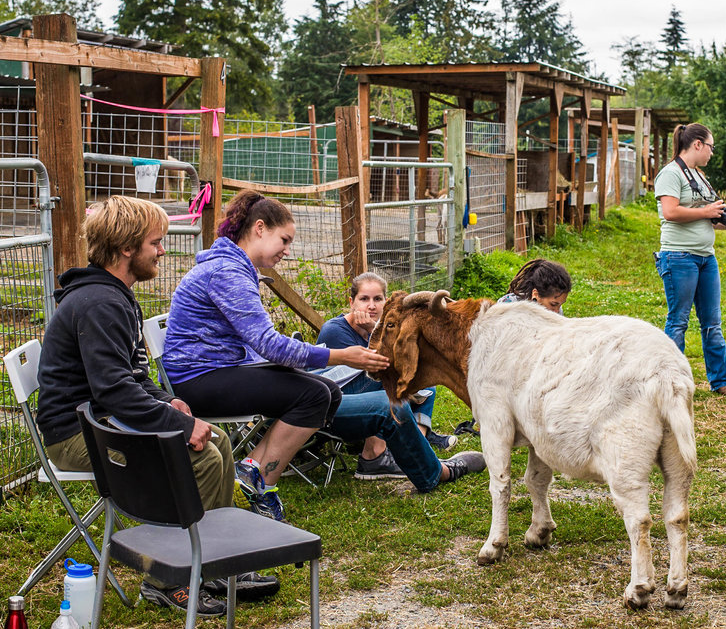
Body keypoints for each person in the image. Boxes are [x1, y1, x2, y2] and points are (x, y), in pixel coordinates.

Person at [36, 196, 277, 616]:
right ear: (127, 248)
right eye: (156, 242)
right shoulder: (100, 303)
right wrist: (178, 427)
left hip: (102, 419)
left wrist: (169, 402)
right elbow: (113, 391)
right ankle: (168, 582)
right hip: (77, 434)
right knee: (195, 456)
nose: (163, 250)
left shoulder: (116, 295)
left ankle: (212, 563)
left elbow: (132, 376)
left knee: (216, 440)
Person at [162, 190, 389, 523]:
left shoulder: (236, 268)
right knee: (313, 394)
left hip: (218, 369)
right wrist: (340, 356)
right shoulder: (228, 273)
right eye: (284, 239)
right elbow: (269, 344)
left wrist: (298, 365)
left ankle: (252, 471)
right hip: (196, 380)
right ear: (259, 228)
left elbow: (262, 346)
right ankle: (261, 483)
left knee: (328, 392)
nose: (287, 249)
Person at [313, 272, 487, 487]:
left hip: (357, 400)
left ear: (385, 303)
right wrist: (372, 330)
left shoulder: (385, 323)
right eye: (364, 299)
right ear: (351, 302)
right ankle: (378, 455)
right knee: (391, 377)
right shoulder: (336, 330)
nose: (371, 306)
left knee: (426, 382)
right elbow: (365, 369)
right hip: (339, 403)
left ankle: (420, 441)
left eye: (378, 299)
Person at [653, 122, 726, 397]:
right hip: (679, 256)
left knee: (712, 322)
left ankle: (720, 381)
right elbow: (670, 212)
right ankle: (670, 381)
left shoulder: (699, 176)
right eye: (711, 147)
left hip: (706, 257)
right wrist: (705, 212)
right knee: (678, 321)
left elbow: (704, 214)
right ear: (697, 145)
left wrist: (722, 222)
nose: (712, 153)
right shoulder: (670, 174)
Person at [496, 258, 572, 314]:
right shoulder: (506, 307)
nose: (557, 311)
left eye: (560, 305)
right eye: (553, 304)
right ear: (535, 294)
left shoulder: (557, 311)